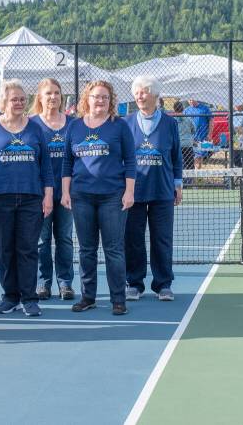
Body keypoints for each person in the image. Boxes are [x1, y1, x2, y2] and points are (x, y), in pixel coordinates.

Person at [0, 79, 53, 316]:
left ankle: (29, 298)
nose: (18, 103)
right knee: (5, 250)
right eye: (13, 99)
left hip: (31, 199)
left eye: (21, 99)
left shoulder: (36, 128)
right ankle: (10, 296)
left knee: (28, 249)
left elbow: (46, 166)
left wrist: (48, 195)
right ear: (2, 102)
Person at [62, 80, 136, 315]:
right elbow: (67, 162)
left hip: (112, 197)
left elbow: (131, 161)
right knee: (86, 249)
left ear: (110, 100)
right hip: (81, 196)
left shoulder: (119, 126)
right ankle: (88, 297)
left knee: (113, 250)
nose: (100, 100)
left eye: (105, 97)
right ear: (87, 99)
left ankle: (118, 299)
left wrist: (129, 191)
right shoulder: (74, 127)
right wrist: (65, 191)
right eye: (96, 96)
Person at [125, 76, 183, 302]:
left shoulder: (170, 124)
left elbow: (176, 157)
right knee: (133, 238)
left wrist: (178, 184)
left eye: (144, 92)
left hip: (162, 191)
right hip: (134, 192)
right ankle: (134, 283)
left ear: (155, 95)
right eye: (137, 92)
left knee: (162, 239)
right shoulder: (126, 123)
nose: (140, 96)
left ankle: (163, 284)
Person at [31, 78, 75, 301]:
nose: (53, 97)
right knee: (42, 240)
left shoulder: (72, 123)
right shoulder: (31, 124)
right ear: (40, 97)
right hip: (40, 195)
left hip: (67, 194)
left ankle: (65, 283)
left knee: (65, 239)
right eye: (48, 93)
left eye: (57, 93)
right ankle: (43, 283)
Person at [184, 98, 211, 169]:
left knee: (199, 157)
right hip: (190, 138)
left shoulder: (204, 108)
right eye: (189, 100)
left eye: (192, 99)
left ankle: (196, 176)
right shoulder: (186, 110)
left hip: (201, 137)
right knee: (191, 158)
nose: (191, 101)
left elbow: (211, 120)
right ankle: (195, 176)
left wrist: (209, 134)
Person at [173, 100, 196, 171]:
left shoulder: (172, 120)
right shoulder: (188, 119)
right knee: (190, 165)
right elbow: (194, 130)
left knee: (175, 163)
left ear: (174, 109)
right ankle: (191, 180)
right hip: (187, 144)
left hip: (176, 145)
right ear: (182, 109)